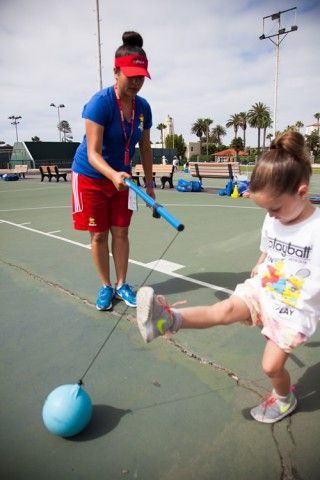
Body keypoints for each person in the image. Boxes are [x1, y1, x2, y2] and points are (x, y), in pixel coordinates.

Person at [136, 130, 320, 424]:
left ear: (301, 191)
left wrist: (274, 304)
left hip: (293, 307)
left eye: (274, 208)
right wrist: (260, 267)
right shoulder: (273, 218)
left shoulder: (316, 229)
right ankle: (165, 320)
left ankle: (285, 400)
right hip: (266, 287)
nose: (270, 216)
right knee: (222, 310)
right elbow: (267, 250)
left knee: (271, 367)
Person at [72, 31, 154, 311]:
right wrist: (113, 175)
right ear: (115, 72)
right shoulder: (100, 103)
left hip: (124, 180)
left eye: (141, 76)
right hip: (91, 176)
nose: (136, 82)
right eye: (131, 75)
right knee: (98, 235)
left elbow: (145, 148)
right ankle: (106, 286)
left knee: (121, 232)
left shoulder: (143, 108)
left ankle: (122, 284)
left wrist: (151, 185)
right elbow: (94, 153)